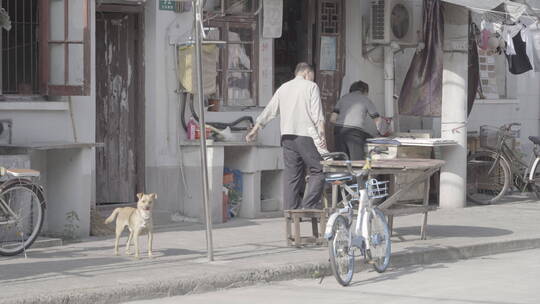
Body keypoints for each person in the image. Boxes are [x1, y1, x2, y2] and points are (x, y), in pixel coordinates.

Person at [246, 63, 327, 210]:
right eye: (312, 75)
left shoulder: (283, 87)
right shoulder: (311, 86)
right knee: (319, 170)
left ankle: (291, 212)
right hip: (305, 136)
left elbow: (270, 109)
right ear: (307, 73)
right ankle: (308, 207)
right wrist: (322, 135)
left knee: (292, 175)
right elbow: (317, 114)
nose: (312, 78)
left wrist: (256, 128)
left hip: (287, 137)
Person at [331, 81, 381, 160]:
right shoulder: (365, 99)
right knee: (356, 162)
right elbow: (377, 119)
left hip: (338, 131)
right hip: (354, 134)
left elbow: (332, 119)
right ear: (365, 91)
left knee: (340, 161)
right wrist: (380, 133)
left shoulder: (343, 98)